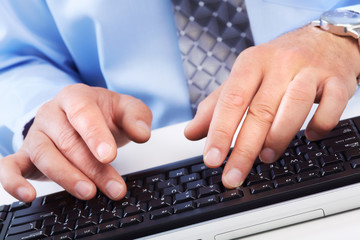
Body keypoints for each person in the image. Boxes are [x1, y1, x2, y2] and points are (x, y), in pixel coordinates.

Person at [0, 0, 359, 203]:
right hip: (141, 174)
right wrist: (48, 114)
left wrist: (344, 35)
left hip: (338, 124)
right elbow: (17, 59)